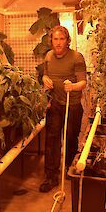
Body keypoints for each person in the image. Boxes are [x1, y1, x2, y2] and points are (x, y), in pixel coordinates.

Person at [40, 25, 87, 193]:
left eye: (61, 39)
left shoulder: (76, 57)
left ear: (67, 41)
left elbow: (83, 83)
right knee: (51, 140)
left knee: (70, 137)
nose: (58, 43)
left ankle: (69, 168)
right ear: (51, 41)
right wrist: (45, 79)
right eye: (55, 39)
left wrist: (73, 87)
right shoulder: (49, 56)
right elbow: (45, 74)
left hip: (72, 105)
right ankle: (50, 176)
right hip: (55, 103)